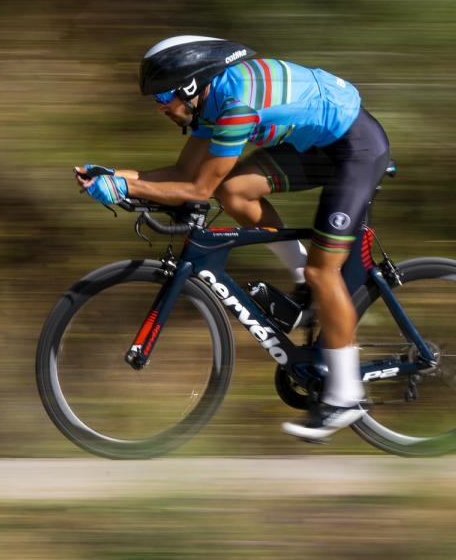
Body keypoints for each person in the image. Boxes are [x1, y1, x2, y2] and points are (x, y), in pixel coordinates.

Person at [75, 35, 391, 441]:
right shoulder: (211, 103)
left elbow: (197, 189)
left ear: (191, 86)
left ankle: (346, 396)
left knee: (323, 272)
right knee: (235, 191)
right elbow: (183, 174)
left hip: (356, 149)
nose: (161, 107)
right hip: (319, 145)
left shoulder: (236, 107)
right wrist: (115, 176)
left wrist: (127, 187)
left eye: (164, 97)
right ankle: (304, 282)